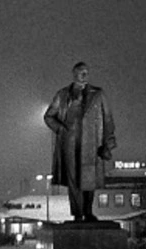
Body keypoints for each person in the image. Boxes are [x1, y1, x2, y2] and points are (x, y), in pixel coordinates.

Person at [44, 62, 117, 222]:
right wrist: (61, 130)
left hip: (91, 143)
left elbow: (108, 119)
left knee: (88, 178)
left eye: (86, 72)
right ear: (74, 74)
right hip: (70, 143)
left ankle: (88, 212)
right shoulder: (63, 94)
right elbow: (49, 116)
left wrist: (108, 143)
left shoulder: (98, 94)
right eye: (81, 72)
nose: (85, 75)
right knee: (74, 179)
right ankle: (77, 213)